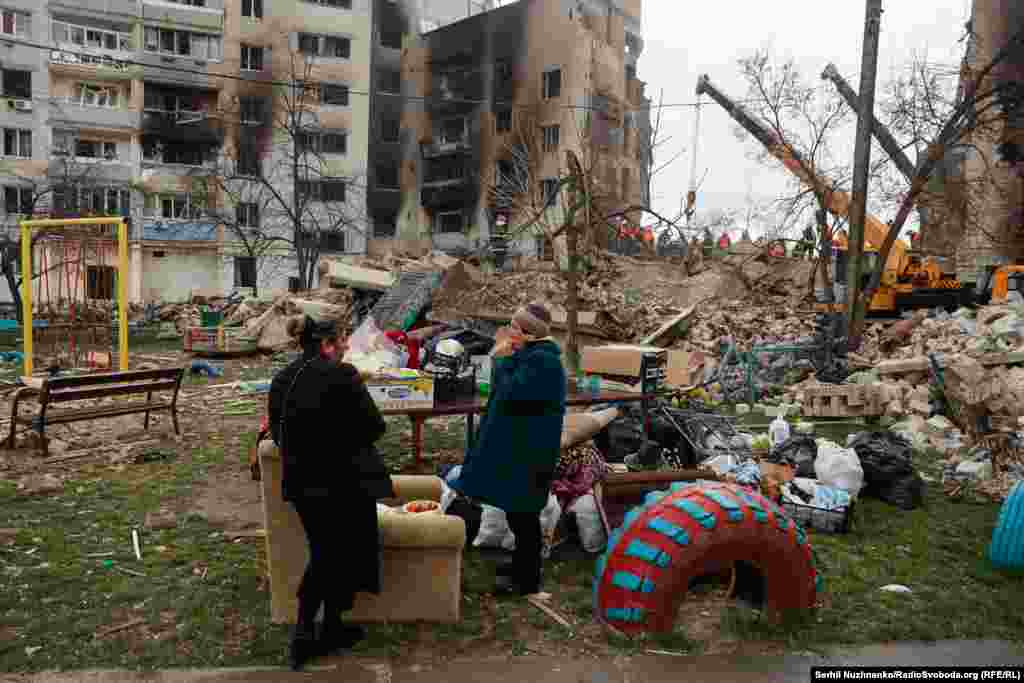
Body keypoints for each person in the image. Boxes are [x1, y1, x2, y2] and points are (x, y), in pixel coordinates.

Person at [268, 314, 392, 671]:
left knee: (332, 553)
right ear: (326, 345)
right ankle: (304, 635)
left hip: (303, 485)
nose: (347, 346)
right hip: (344, 483)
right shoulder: (343, 375)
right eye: (342, 341)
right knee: (331, 555)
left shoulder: (282, 379)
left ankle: (332, 628)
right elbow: (374, 426)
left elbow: (279, 435)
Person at [448, 302, 567, 596]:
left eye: (513, 327)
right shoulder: (530, 355)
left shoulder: (544, 362)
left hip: (529, 453)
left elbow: (513, 393)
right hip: (518, 448)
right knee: (516, 512)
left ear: (528, 334)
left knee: (524, 515)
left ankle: (526, 581)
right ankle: (519, 566)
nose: (507, 330)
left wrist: (501, 360)